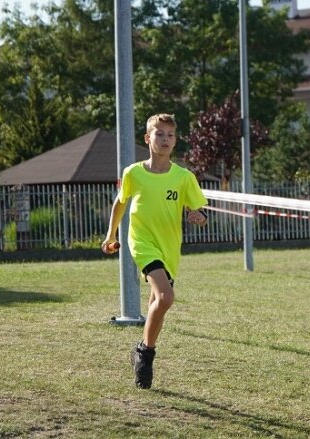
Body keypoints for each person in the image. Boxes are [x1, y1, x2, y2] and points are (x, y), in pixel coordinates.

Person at [102, 113, 208, 389]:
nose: (165, 139)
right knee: (167, 296)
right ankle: (147, 356)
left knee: (156, 305)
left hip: (169, 247)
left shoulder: (184, 177)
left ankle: (142, 350)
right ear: (147, 139)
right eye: (159, 134)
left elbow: (200, 210)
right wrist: (111, 234)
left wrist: (199, 217)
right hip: (142, 242)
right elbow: (120, 203)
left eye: (170, 135)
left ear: (175, 141)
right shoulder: (133, 173)